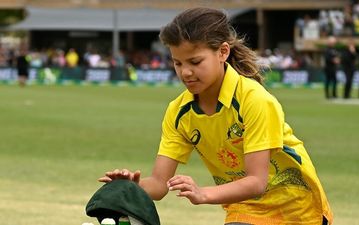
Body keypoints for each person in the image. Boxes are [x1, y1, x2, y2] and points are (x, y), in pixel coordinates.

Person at [99, 7, 333, 225]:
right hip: (245, 211)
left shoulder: (255, 100)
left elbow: (256, 182)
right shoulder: (179, 112)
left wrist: (203, 193)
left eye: (195, 61)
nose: (185, 72)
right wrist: (131, 187)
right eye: (177, 63)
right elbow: (159, 184)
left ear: (222, 52)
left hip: (300, 211)